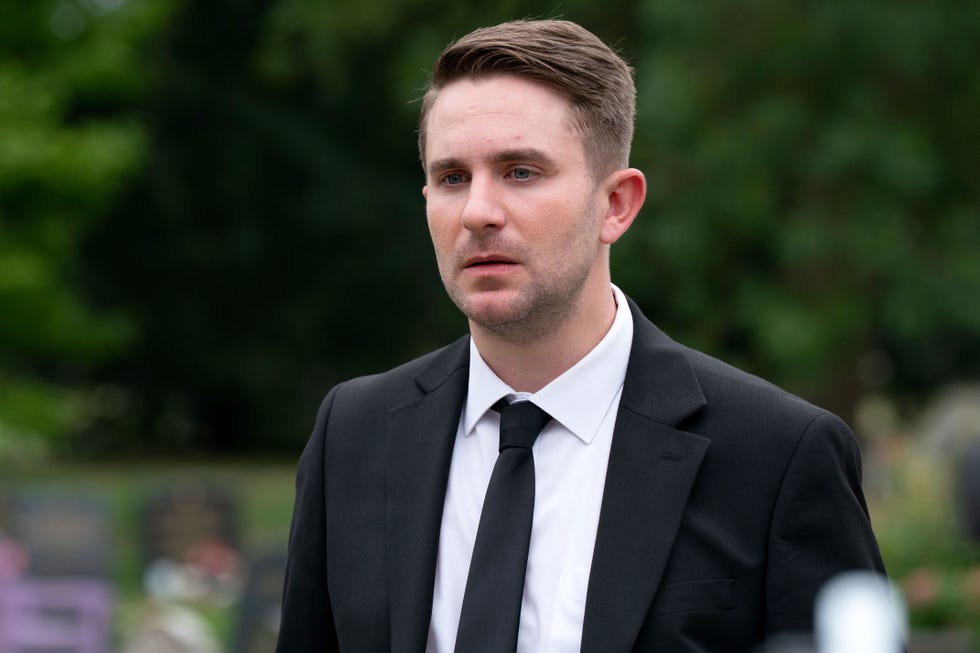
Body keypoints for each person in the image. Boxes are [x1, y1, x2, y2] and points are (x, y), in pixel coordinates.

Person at [276, 19, 887, 653]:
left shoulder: (777, 455)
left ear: (616, 204)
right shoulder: (354, 434)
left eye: (520, 172)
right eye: (453, 178)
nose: (478, 212)